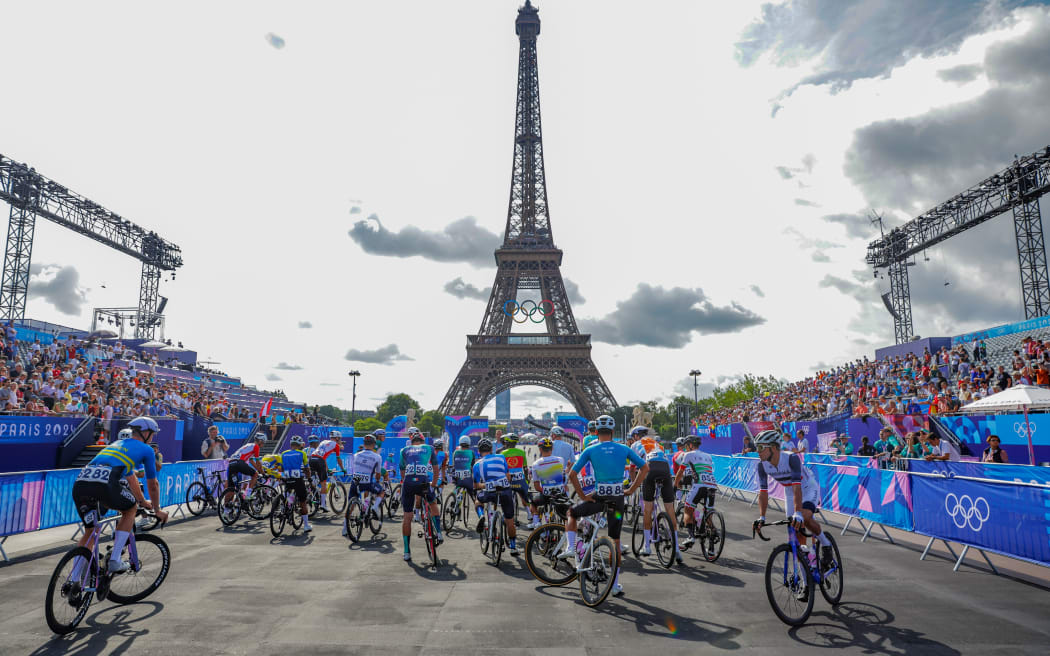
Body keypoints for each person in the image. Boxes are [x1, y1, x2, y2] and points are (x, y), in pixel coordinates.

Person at [563, 415, 648, 597]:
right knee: (615, 541)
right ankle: (615, 584)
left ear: (595, 432)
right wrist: (632, 489)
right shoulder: (624, 448)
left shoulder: (591, 450)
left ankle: (571, 548)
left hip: (599, 496)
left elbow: (572, 474)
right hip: (618, 498)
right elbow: (645, 468)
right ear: (612, 431)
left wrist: (582, 495)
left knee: (572, 512)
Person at [71, 417, 168, 574]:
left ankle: (73, 581)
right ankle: (115, 559)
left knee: (90, 532)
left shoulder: (116, 445)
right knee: (130, 509)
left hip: (81, 484)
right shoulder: (147, 449)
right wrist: (157, 510)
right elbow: (153, 484)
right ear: (145, 433)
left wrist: (143, 500)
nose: (152, 438)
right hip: (105, 485)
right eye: (152, 434)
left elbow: (131, 478)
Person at [753, 430, 833, 575]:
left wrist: (797, 512)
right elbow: (763, 493)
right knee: (795, 534)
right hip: (789, 491)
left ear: (773, 447)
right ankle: (805, 579)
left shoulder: (791, 458)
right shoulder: (762, 465)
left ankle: (826, 544)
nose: (757, 451)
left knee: (805, 518)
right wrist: (762, 517)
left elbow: (797, 487)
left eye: (760, 447)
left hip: (807, 487)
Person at [398, 427, 442, 562]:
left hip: (409, 483)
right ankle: (439, 533)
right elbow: (436, 470)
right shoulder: (429, 448)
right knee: (433, 503)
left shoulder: (404, 450)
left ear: (412, 442)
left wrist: (407, 483)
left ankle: (406, 551)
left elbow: (402, 472)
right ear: (422, 440)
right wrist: (433, 485)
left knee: (407, 517)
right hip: (423, 482)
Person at [637, 433, 681, 562]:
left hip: (651, 468)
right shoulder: (660, 447)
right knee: (670, 510)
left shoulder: (639, 446)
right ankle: (677, 549)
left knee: (648, 509)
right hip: (665, 469)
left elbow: (638, 467)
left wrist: (635, 483)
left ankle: (647, 546)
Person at [472, 438, 519, 555]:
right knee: (510, 521)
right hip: (505, 490)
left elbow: (476, 485)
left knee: (478, 500)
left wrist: (486, 484)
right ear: (491, 449)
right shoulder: (501, 457)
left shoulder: (477, 465)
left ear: (479, 451)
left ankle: (481, 515)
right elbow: (508, 476)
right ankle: (513, 547)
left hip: (489, 491)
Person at [674, 434, 717, 554]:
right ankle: (712, 547)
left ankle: (691, 536)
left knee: (688, 509)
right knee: (708, 515)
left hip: (699, 485)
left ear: (691, 445)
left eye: (687, 446)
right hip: (712, 486)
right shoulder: (708, 456)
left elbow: (680, 471)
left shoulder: (689, 454)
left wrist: (675, 485)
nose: (686, 448)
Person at [344, 433, 384, 537]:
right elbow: (378, 474)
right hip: (367, 482)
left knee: (351, 505)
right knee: (381, 491)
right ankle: (375, 507)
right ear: (374, 444)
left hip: (355, 481)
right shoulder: (377, 457)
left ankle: (345, 528)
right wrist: (378, 480)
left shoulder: (356, 455)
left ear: (364, 444)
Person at [273, 435, 313, 532]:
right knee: (303, 501)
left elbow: (281, 468)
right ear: (300, 445)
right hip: (298, 479)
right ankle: (306, 526)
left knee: (288, 494)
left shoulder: (283, 453)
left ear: (291, 444)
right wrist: (309, 479)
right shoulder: (302, 453)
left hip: (287, 478)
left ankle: (285, 507)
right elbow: (307, 468)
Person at [222, 434, 265, 516]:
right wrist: (262, 473)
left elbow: (252, 461)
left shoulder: (248, 445)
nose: (263, 445)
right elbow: (258, 462)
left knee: (231, 489)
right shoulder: (256, 446)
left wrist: (258, 470)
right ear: (260, 441)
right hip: (239, 463)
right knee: (255, 475)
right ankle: (248, 495)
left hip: (231, 464)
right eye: (263, 443)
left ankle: (226, 511)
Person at [529, 436, 568, 525]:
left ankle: (536, 523)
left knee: (533, 503)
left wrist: (546, 490)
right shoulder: (560, 460)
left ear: (540, 449)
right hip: (560, 493)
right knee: (567, 513)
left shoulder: (536, 464)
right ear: (552, 448)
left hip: (546, 494)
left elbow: (537, 487)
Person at [500, 433, 530, 523]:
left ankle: (506, 515)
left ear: (507, 443)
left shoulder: (503, 453)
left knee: (505, 497)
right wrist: (527, 478)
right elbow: (525, 467)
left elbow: (502, 468)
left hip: (508, 480)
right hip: (520, 479)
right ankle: (529, 514)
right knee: (525, 496)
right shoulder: (521, 452)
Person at [450, 435, 479, 519]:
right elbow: (473, 466)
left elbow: (454, 464)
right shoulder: (471, 453)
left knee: (458, 488)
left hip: (456, 477)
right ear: (469, 444)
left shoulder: (455, 452)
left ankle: (454, 503)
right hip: (467, 478)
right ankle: (480, 515)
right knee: (474, 497)